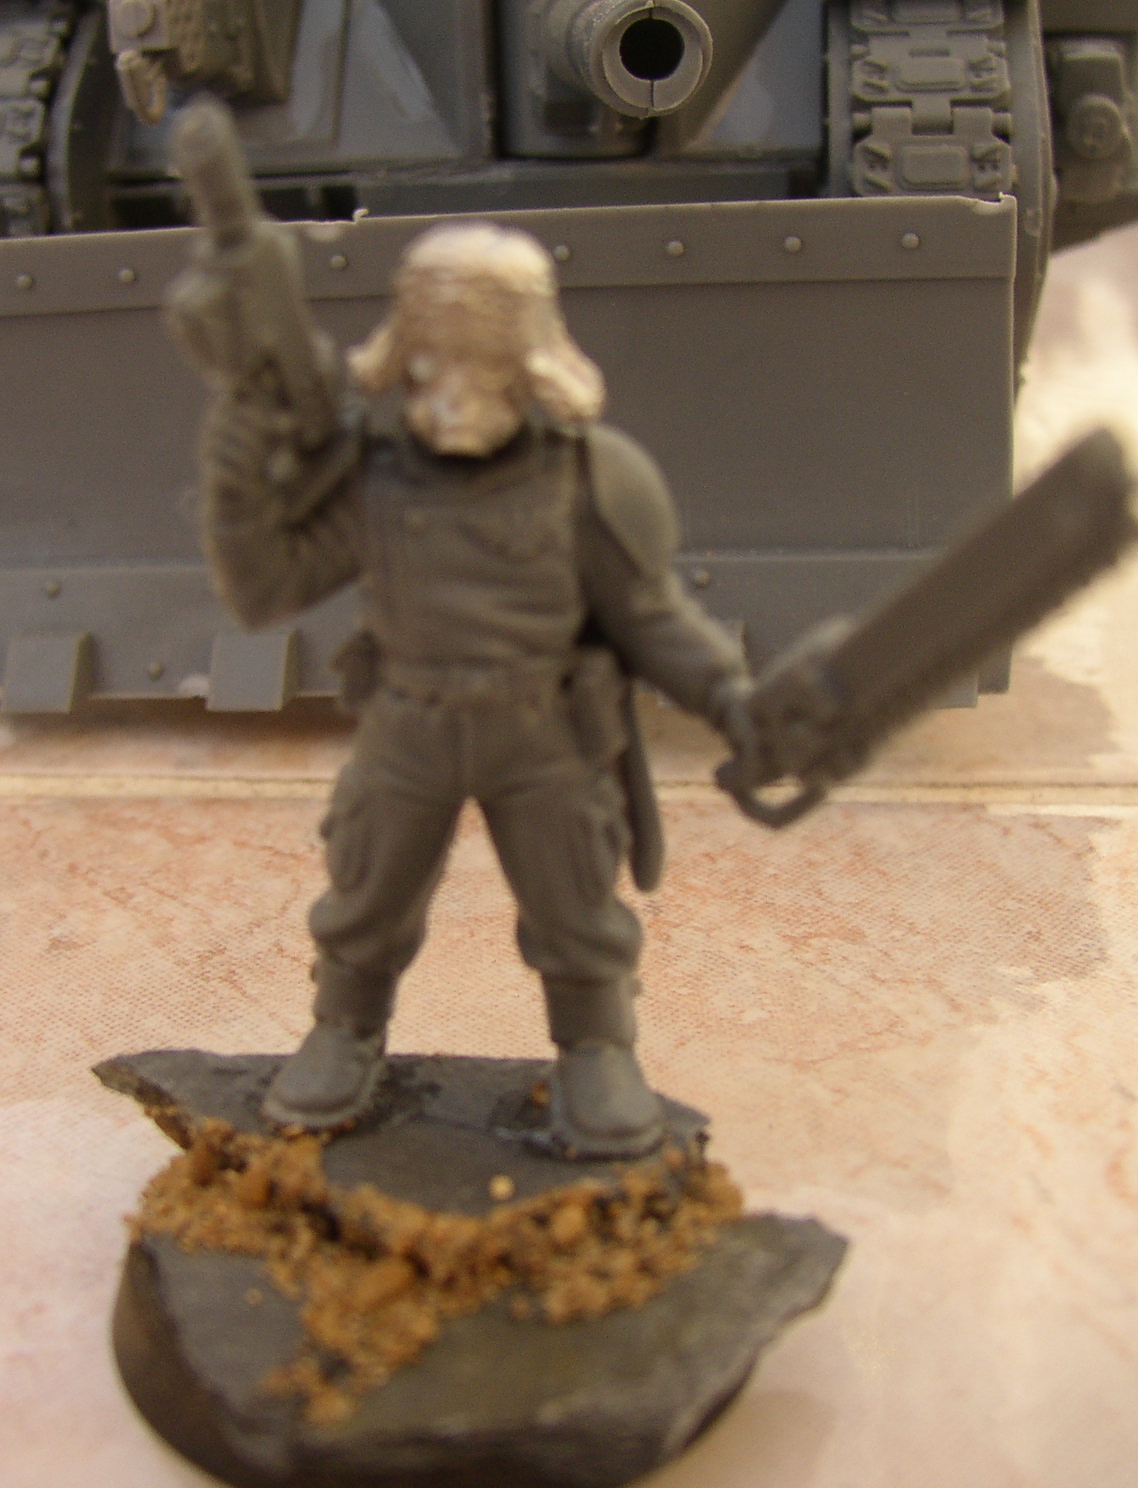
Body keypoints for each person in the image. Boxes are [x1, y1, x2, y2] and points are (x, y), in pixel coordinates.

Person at [181, 220, 754, 1159]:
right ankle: (344, 1028)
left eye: (481, 357)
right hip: (409, 720)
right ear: (404, 351)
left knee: (575, 902)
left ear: (529, 358)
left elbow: (651, 618)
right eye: (433, 355)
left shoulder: (591, 474)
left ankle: (597, 1047)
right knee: (368, 888)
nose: (454, 384)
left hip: (544, 730)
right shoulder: (374, 474)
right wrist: (237, 473)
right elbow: (266, 589)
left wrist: (732, 698)